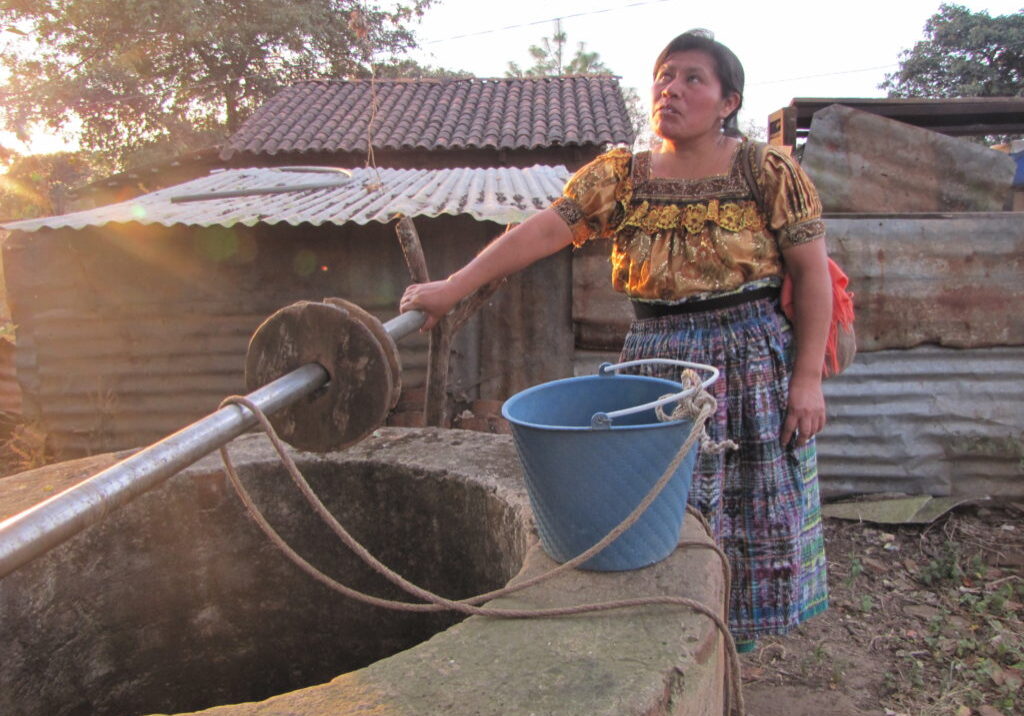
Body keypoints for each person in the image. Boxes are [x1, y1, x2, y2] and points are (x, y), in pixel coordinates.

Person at [400, 29, 831, 650]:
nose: (671, 89)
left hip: (751, 359)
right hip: (655, 359)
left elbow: (813, 275)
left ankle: (734, 651)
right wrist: (454, 287)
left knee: (751, 508)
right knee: (653, 508)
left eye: (692, 79)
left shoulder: (767, 170)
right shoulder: (619, 177)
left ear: (727, 101)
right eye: (664, 75)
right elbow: (540, 233)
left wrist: (808, 379)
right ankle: (668, 639)